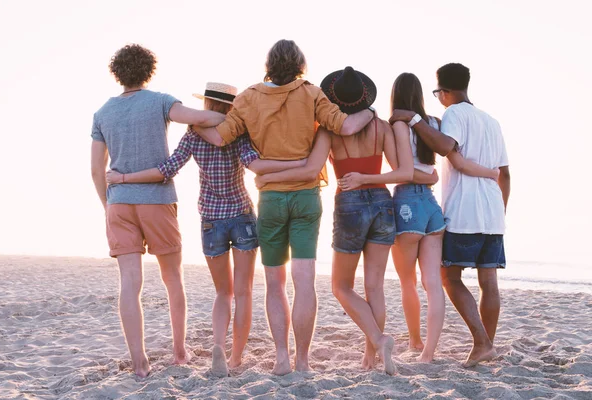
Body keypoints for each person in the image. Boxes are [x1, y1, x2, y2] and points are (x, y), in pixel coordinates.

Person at [193, 40, 376, 374]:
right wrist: (370, 111)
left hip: (271, 199)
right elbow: (347, 126)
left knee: (275, 283)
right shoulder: (312, 94)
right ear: (300, 64)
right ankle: (303, 361)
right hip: (307, 197)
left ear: (269, 64)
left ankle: (281, 358)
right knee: (303, 282)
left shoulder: (248, 97)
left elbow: (220, 137)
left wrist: (194, 124)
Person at [105, 82, 306, 377]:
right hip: (241, 215)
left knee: (223, 293)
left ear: (207, 106)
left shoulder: (193, 135)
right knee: (244, 292)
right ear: (231, 108)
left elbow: (166, 169)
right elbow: (257, 165)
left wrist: (123, 178)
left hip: (211, 220)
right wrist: (300, 163)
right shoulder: (238, 134)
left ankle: (219, 349)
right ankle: (236, 357)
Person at [256, 66, 414, 375]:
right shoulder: (382, 126)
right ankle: (372, 357)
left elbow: (312, 168)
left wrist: (266, 175)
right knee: (375, 287)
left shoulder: (327, 130)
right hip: (383, 202)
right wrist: (370, 177)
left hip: (351, 204)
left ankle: (379, 340)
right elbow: (404, 173)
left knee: (341, 286)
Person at [90, 44, 226, 378]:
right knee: (172, 279)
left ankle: (139, 363)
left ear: (117, 73)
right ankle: (179, 352)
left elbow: (96, 169)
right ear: (149, 70)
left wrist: (109, 204)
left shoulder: (102, 112)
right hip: (157, 200)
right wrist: (227, 116)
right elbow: (202, 117)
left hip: (119, 201)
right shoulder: (161, 102)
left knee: (129, 283)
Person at [346, 72, 498, 363]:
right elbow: (434, 167)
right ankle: (428, 353)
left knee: (407, 282)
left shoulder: (399, 126)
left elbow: (401, 170)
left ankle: (415, 341)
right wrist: (430, 178)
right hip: (431, 208)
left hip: (406, 203)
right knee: (432, 282)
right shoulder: (435, 124)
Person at [390, 64, 511, 367]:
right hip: (493, 212)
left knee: (448, 276)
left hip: (465, 210)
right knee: (489, 281)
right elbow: (505, 174)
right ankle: (487, 345)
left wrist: (415, 119)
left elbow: (446, 147)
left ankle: (482, 342)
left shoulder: (455, 114)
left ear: (444, 92)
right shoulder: (492, 121)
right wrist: (502, 211)